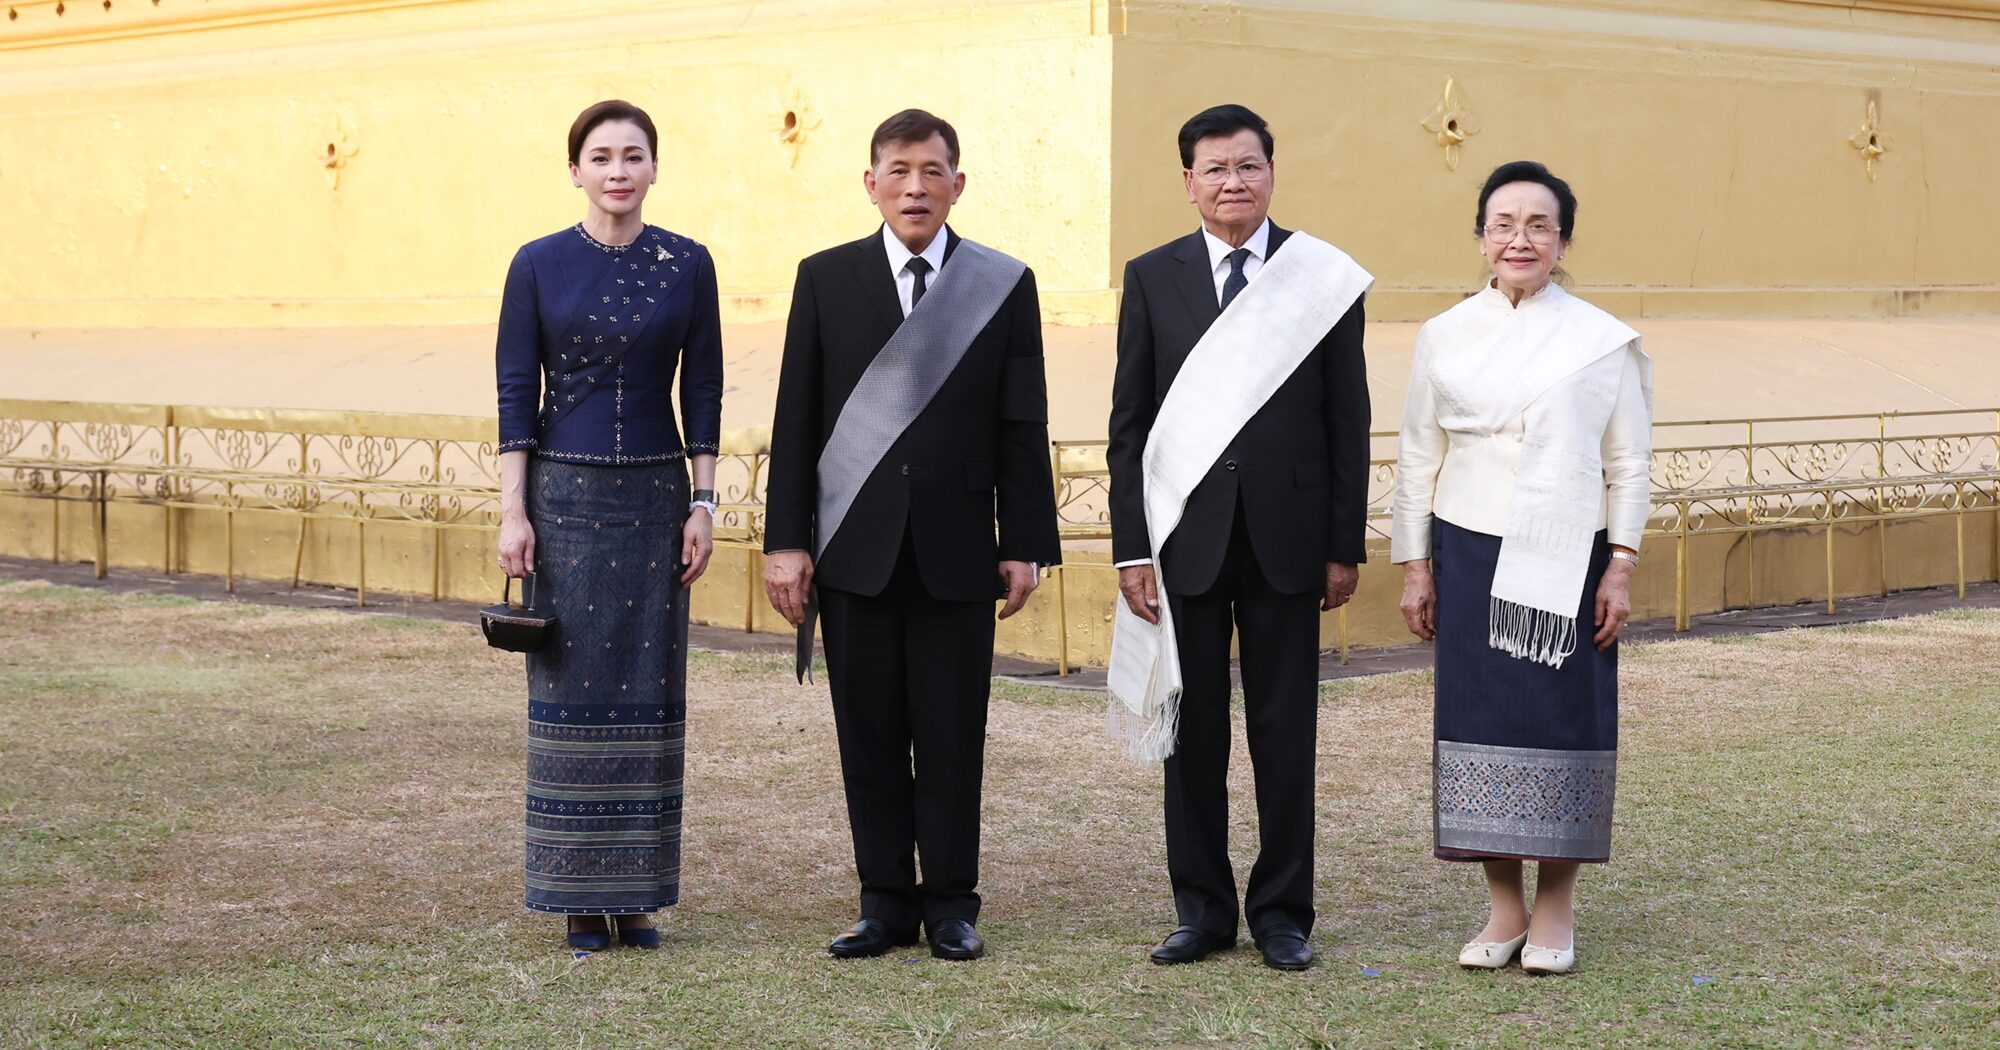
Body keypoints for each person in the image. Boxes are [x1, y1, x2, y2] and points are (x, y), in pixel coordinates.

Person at [762, 109, 1061, 962]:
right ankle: (883, 902)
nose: (915, 187)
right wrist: (789, 540)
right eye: (898, 171)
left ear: (957, 184)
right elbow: (798, 419)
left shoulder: (1000, 282)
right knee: (868, 733)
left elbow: (1020, 418)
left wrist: (1025, 540)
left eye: (932, 171)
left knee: (953, 731)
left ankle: (952, 906)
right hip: (854, 544)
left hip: (959, 548)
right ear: (871, 183)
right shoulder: (825, 278)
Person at [1105, 104, 1373, 971]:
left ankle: (1284, 913)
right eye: (1214, 169)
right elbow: (1131, 424)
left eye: (1248, 165)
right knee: (1194, 735)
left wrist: (1344, 543)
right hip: (1186, 538)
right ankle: (1202, 910)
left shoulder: (1318, 278)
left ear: (1271, 172)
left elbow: (1347, 418)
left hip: (1289, 540)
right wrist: (1132, 546)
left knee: (1285, 733)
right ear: (1188, 183)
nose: (1233, 182)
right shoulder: (1152, 277)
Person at [1391, 160, 1653, 976]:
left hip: (1568, 555)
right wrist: (1414, 565)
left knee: (1562, 725)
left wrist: (1620, 566)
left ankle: (1555, 908)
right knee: (1480, 725)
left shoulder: (1601, 339)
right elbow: (1415, 453)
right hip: (1467, 548)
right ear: (1480, 238)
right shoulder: (1444, 334)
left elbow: (1631, 461)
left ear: (1562, 240)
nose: (1520, 239)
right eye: (1503, 223)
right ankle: (1502, 905)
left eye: (1539, 225)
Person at [494, 99, 723, 952]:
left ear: (655, 168)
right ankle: (578, 900)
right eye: (601, 156)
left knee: (651, 693)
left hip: (657, 504)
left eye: (633, 155)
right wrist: (514, 510)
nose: (618, 170)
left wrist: (703, 503)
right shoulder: (538, 264)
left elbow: (704, 389)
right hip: (563, 501)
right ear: (576, 171)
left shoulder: (688, 264)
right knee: (571, 691)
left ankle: (638, 898)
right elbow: (518, 392)